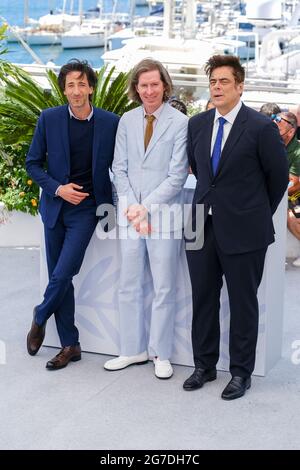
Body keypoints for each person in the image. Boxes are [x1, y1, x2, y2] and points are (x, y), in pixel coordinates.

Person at [183, 54, 289, 399]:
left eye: (224, 81)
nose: (217, 87)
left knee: (243, 303)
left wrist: (250, 213)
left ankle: (241, 372)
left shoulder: (260, 128)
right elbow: (201, 173)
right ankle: (204, 365)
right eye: (213, 81)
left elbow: (276, 181)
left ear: (239, 86)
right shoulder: (196, 124)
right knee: (202, 298)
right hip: (201, 225)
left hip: (245, 229)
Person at [26, 59, 119, 370]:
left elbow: (122, 164)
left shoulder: (110, 122)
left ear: (91, 87)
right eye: (70, 85)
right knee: (59, 276)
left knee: (64, 272)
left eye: (82, 83)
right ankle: (70, 345)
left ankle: (40, 315)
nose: (76, 90)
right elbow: (33, 164)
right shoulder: (49, 119)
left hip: (88, 208)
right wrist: (57, 189)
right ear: (63, 90)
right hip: (55, 207)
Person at [104, 58, 189, 379]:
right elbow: (119, 168)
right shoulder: (126, 121)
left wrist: (145, 209)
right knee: (128, 285)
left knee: (164, 287)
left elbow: (177, 176)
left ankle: (160, 353)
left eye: (155, 84)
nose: (149, 90)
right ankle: (132, 349)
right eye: (144, 85)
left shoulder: (180, 123)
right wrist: (131, 208)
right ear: (136, 89)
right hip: (130, 216)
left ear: (165, 86)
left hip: (162, 217)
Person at [272, 111, 300, 267]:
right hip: (274, 191)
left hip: (294, 194)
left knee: (291, 217)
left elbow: (294, 182)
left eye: (279, 120)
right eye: (274, 118)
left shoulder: (298, 151)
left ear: (291, 130)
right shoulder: (271, 142)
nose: (274, 121)